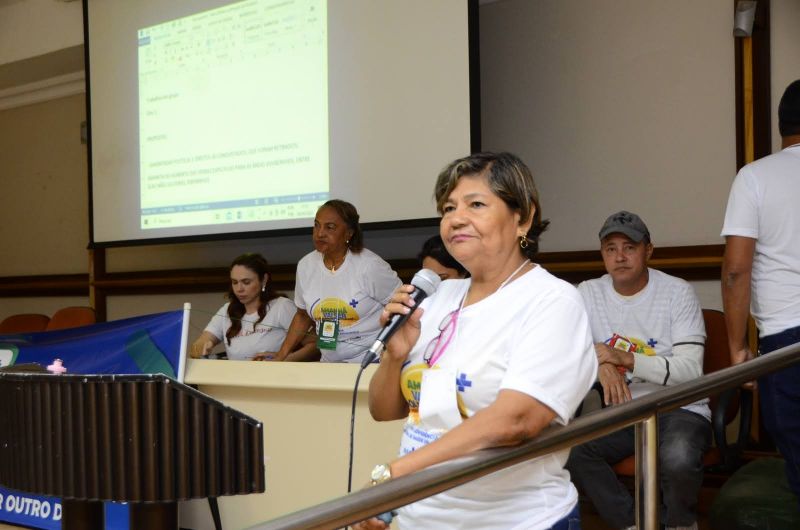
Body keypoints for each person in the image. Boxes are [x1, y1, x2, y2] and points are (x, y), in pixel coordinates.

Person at [355, 152, 596, 530]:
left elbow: (516, 420)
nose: (456, 218)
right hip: (421, 518)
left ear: (524, 217)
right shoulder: (437, 297)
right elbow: (385, 411)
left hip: (517, 521)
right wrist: (394, 357)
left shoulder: (552, 301)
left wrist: (394, 476)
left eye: (476, 204)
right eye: (449, 208)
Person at [566, 211, 710, 530]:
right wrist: (600, 363)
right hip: (625, 410)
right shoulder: (587, 293)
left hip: (680, 406)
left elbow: (690, 371)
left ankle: (680, 525)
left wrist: (625, 359)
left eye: (629, 247)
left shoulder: (677, 292)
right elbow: (565, 354)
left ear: (648, 251)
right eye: (610, 248)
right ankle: (635, 524)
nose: (619, 256)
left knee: (678, 457)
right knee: (575, 451)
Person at [721, 79, 800, 505]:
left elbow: (736, 270)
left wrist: (738, 350)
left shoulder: (755, 177)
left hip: (787, 343)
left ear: (781, 125)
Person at [271, 199, 402, 363]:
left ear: (349, 233)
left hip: (371, 361)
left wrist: (393, 354)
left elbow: (402, 308)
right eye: (317, 225)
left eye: (330, 227)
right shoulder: (306, 265)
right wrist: (280, 357)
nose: (320, 233)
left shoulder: (370, 266)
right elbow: (303, 316)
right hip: (329, 363)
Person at [191, 253, 318, 361]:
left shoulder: (281, 306)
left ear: (263, 280)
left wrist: (282, 360)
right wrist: (203, 346)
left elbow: (315, 345)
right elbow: (201, 342)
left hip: (276, 380)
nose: (239, 289)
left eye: (246, 282)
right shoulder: (226, 310)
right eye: (235, 282)